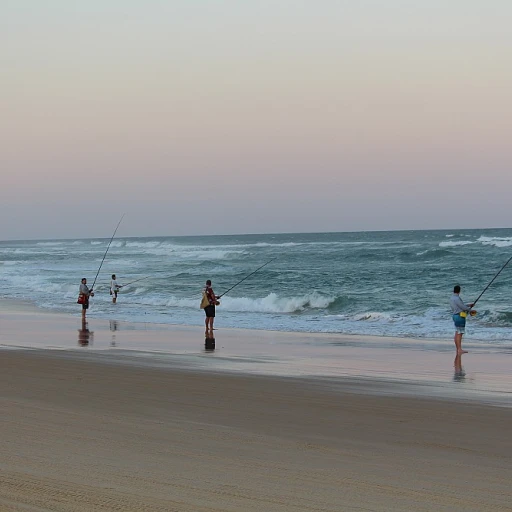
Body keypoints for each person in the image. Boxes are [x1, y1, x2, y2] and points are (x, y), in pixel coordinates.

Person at [449, 285, 474, 354]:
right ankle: (459, 349)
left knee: (457, 332)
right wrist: (470, 310)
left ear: (453, 290)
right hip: (459, 316)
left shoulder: (452, 298)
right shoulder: (457, 298)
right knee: (460, 333)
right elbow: (462, 307)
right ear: (459, 291)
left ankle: (458, 349)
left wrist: (469, 305)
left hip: (455, 316)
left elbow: (460, 305)